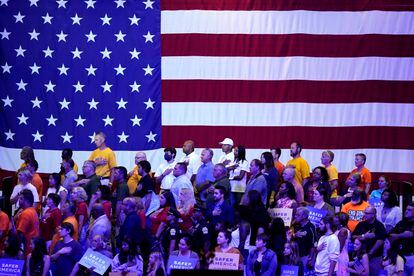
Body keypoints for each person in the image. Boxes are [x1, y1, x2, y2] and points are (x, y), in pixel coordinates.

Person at [352, 206, 387, 276]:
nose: (364, 214)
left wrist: (370, 253)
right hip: (360, 257)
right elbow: (353, 236)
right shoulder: (361, 224)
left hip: (375, 257)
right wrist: (363, 236)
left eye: (367, 213)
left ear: (373, 214)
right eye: (364, 212)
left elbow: (381, 240)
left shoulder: (379, 226)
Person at [389, 202, 414, 276]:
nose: (406, 211)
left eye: (409, 210)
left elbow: (410, 235)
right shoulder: (401, 223)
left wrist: (398, 236)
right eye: (406, 209)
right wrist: (402, 235)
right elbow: (390, 235)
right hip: (401, 255)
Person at [14, 189, 39, 256]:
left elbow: (20, 234)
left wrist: (18, 249)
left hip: (26, 249)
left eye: (21, 199)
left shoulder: (26, 213)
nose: (19, 201)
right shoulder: (32, 210)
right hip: (32, 247)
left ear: (27, 201)